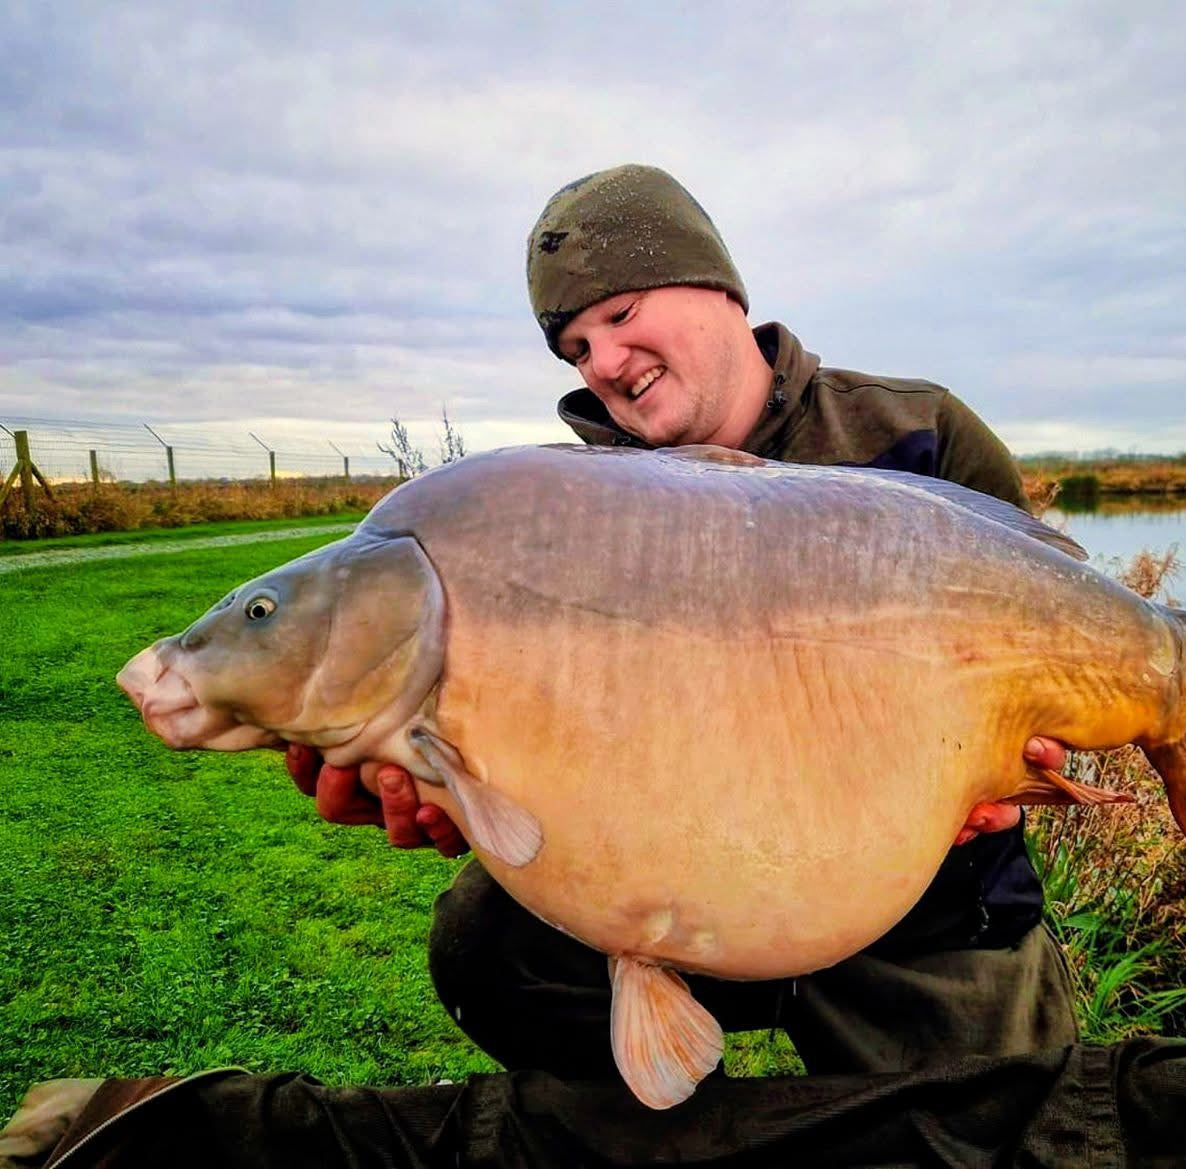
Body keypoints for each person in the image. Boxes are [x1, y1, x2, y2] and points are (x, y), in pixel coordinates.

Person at [286, 164, 1078, 1079]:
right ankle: (683, 1129)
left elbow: (1044, 667)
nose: (605, 364)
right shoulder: (555, 519)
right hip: (667, 896)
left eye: (620, 316)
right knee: (482, 948)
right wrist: (454, 782)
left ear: (720, 291)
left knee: (1010, 1125)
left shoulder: (919, 437)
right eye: (577, 348)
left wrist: (1020, 755)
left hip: (923, 911)